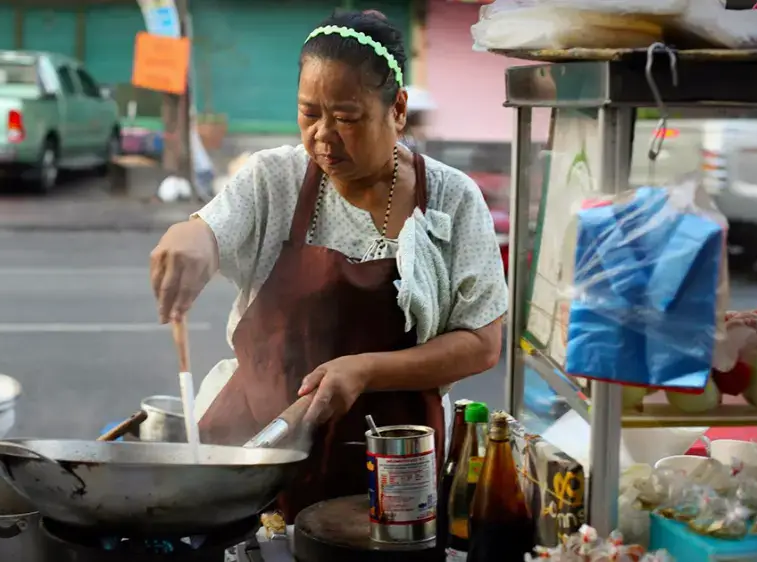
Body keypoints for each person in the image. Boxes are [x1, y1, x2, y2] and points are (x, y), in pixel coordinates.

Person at [149, 10, 508, 521]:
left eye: (345, 117)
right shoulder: (273, 179)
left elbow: (481, 342)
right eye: (308, 113)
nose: (322, 136)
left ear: (398, 109)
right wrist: (188, 238)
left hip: (393, 467)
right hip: (259, 453)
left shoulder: (452, 198)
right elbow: (211, 230)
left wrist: (364, 370)